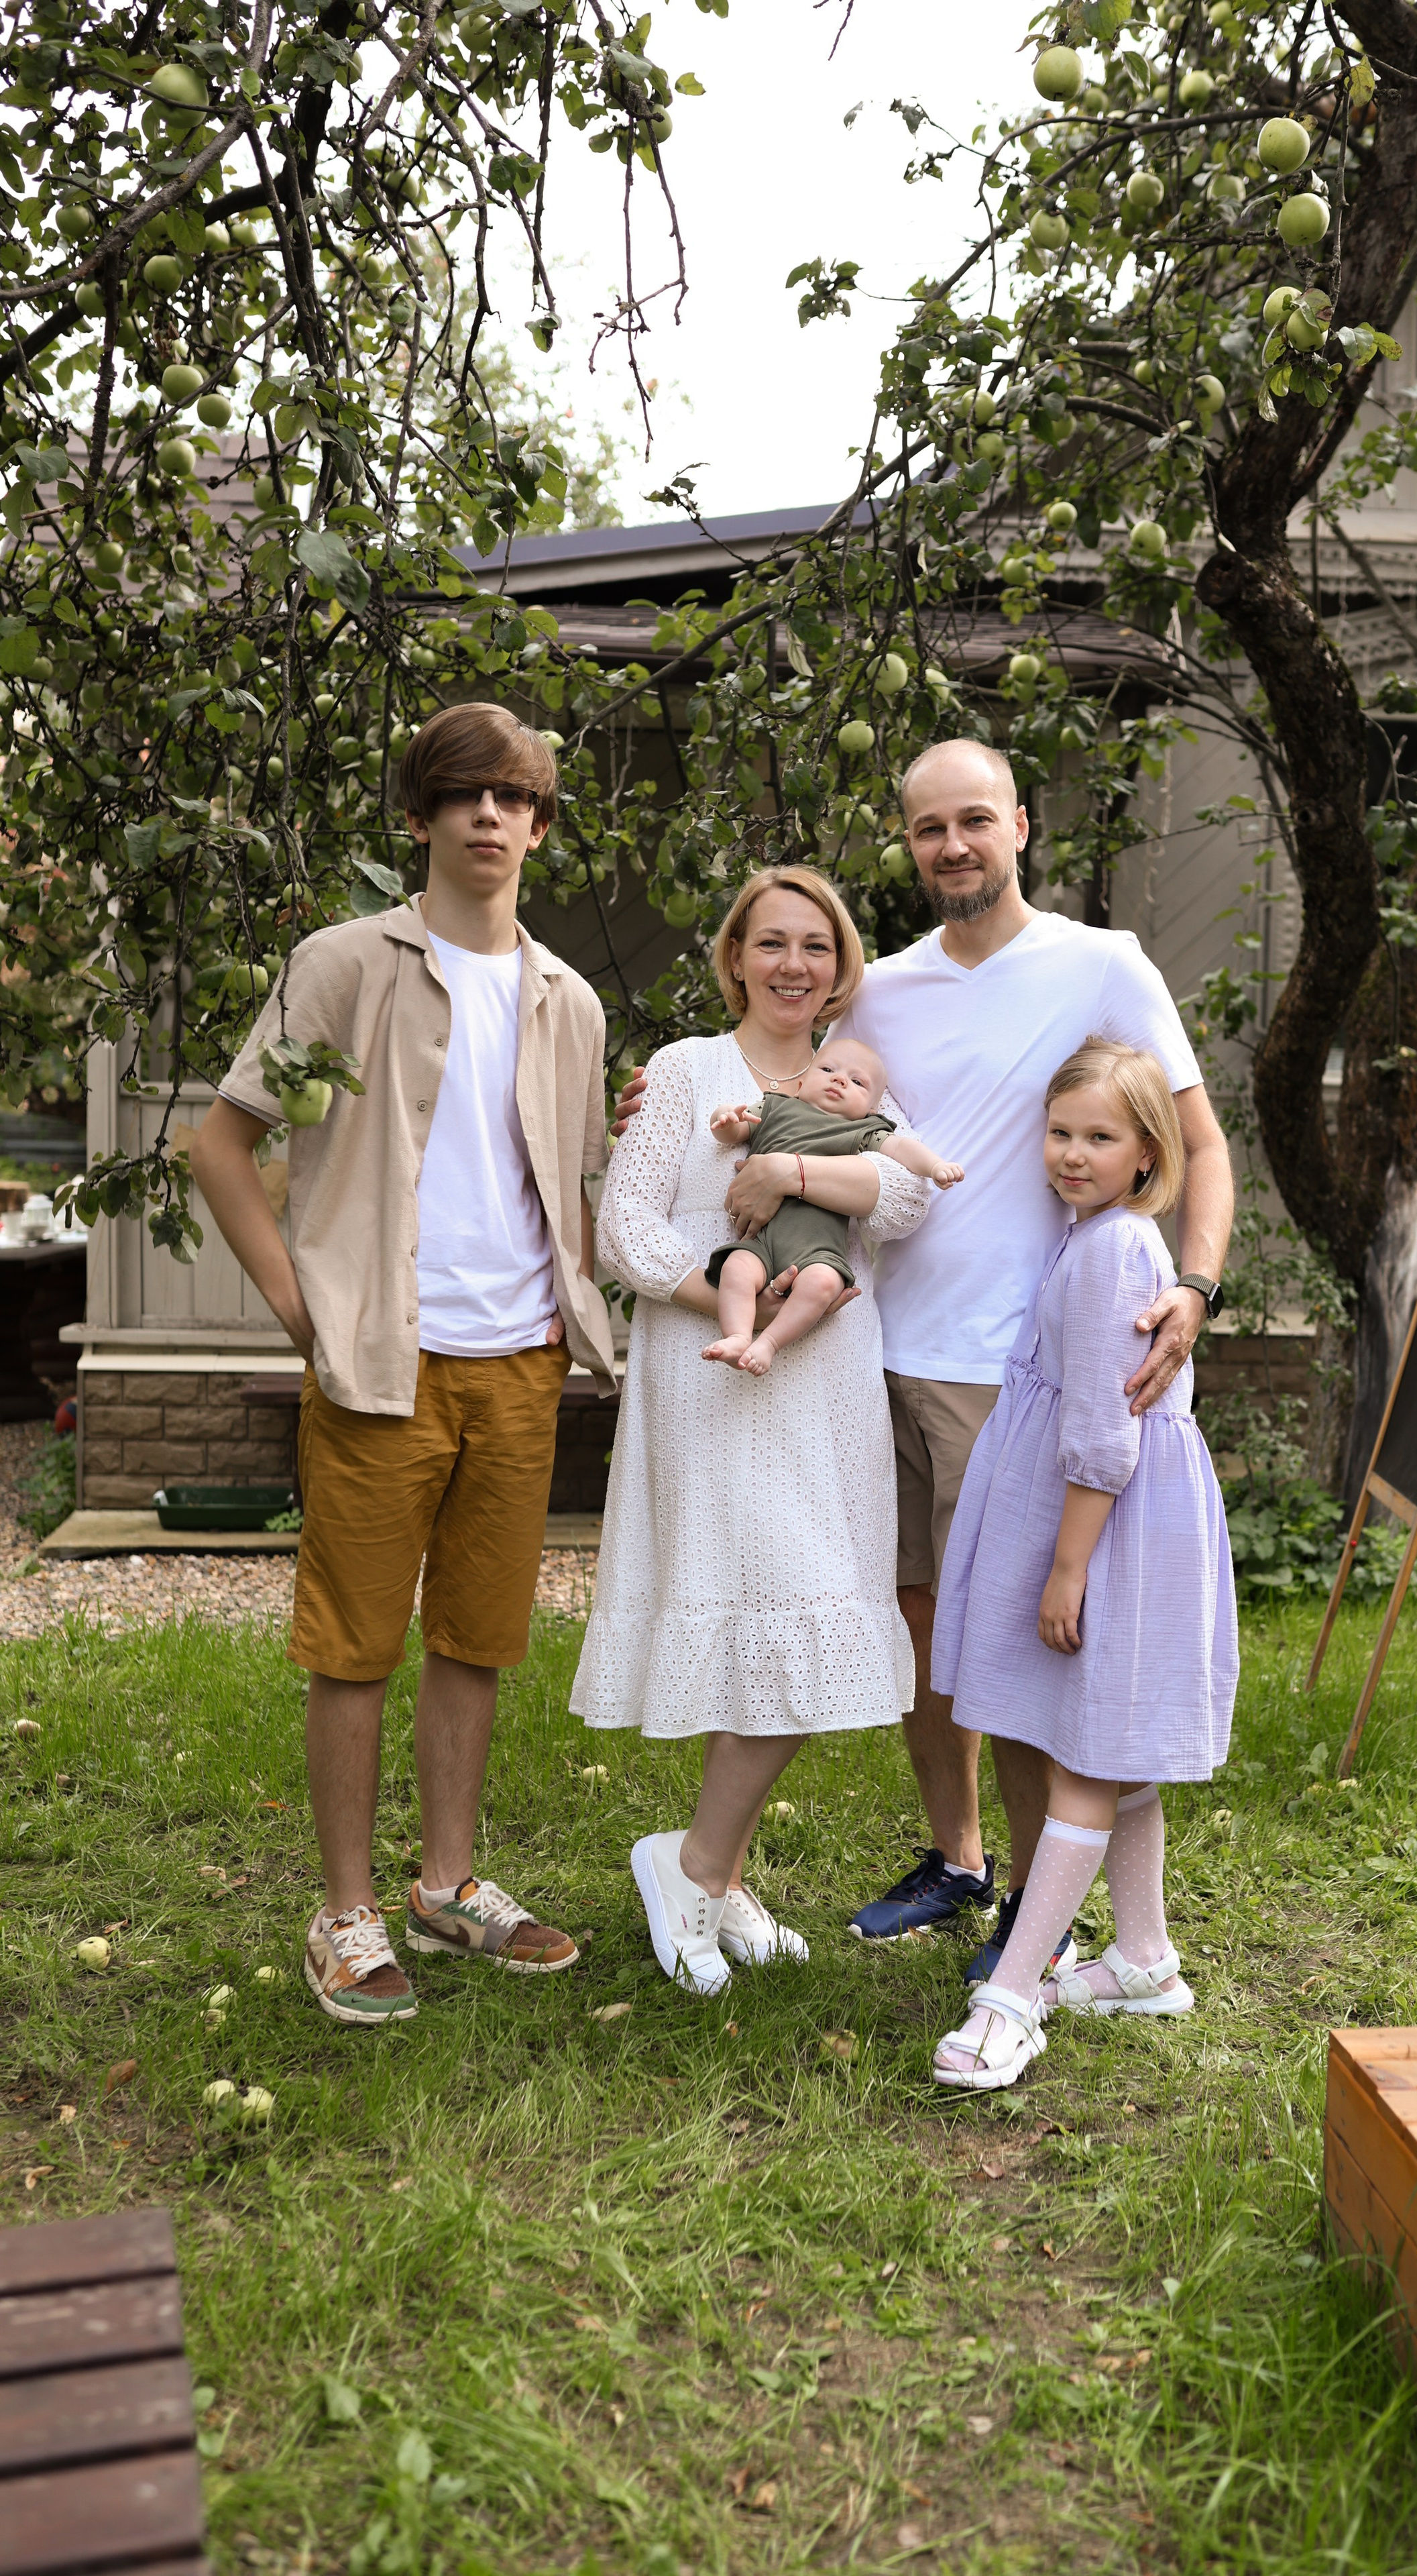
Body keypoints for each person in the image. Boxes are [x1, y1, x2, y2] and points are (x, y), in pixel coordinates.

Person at [618, 740, 1233, 1972]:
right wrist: (655, 1103)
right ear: (908, 843)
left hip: (1012, 1366)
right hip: (864, 1353)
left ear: (1018, 825)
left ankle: (1033, 1932)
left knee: (1006, 1645)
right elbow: (780, 1067)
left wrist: (1197, 1286)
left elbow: (1201, 1147)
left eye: (974, 822)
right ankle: (961, 1859)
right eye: (926, 829)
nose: (952, 846)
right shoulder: (877, 990)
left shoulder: (1102, 963)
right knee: (920, 1630)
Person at [190, 704, 614, 2028]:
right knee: (355, 1649)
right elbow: (220, 1142)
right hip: (383, 1362)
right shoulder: (343, 965)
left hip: (520, 1360)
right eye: (463, 795)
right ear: (423, 816)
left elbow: (580, 1179)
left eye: (515, 799)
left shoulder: (568, 1001)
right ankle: (344, 1912)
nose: (490, 818)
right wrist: (297, 1300)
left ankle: (447, 1887)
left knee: (477, 1640)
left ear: (541, 826)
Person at [571, 866, 933, 1997]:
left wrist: (791, 1169)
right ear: (735, 958)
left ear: (841, 968)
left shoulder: (856, 1079)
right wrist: (721, 1296)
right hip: (714, 1364)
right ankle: (696, 1872)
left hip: (824, 1386)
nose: (793, 965)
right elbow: (623, 1222)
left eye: (816, 947)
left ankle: (702, 1870)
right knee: (766, 1605)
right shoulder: (685, 1070)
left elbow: (913, 1197)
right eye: (771, 944)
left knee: (807, 1610)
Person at [928, 1040, 1237, 2089]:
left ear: (1148, 1151)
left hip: (1108, 1528)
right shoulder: (1092, 1235)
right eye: (1060, 1132)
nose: (1072, 1153)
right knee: (1108, 1742)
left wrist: (1069, 1569)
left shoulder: (1115, 1251)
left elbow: (1106, 1434)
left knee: (1085, 1759)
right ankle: (1145, 1960)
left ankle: (1012, 1996)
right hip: (1097, 1518)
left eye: (1099, 1137)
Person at [703, 1038, 964, 1375]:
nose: (840, 1080)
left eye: (857, 1082)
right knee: (736, 1269)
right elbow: (734, 1129)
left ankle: (769, 1342)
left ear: (872, 1109)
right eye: (827, 1070)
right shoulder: (775, 1108)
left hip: (819, 1248)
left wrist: (935, 1166)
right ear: (800, 1085)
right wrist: (724, 1118)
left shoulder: (862, 1130)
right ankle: (738, 1335)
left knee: (824, 1284)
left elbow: (904, 1150)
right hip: (761, 1240)